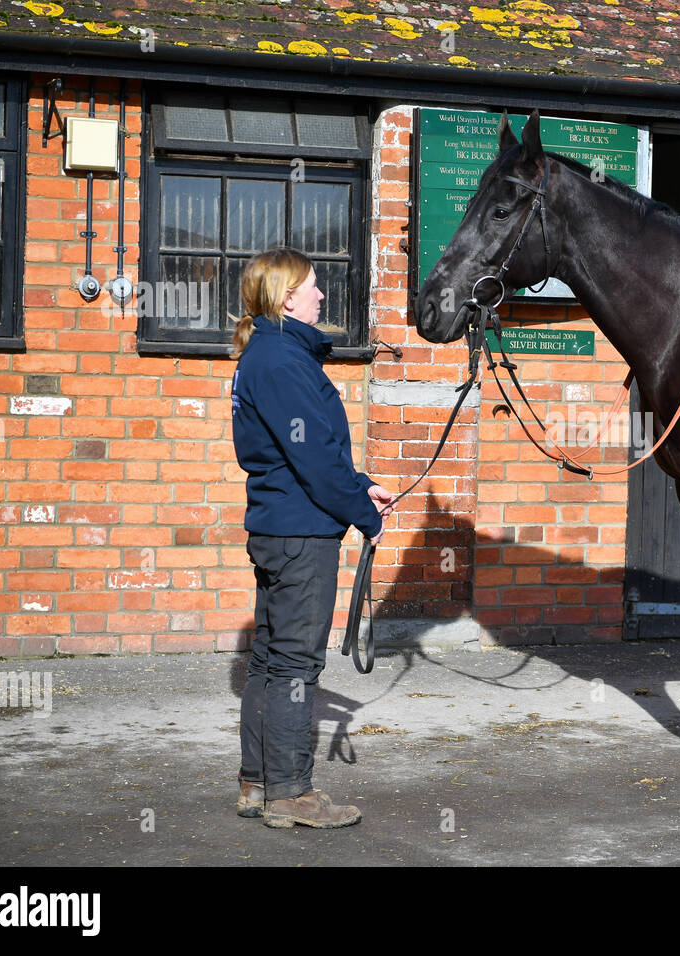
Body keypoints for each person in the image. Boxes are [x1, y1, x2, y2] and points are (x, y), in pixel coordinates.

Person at [229, 247, 393, 828]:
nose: (321, 296)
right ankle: (290, 793)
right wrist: (363, 511)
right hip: (300, 533)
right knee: (296, 664)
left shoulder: (272, 354)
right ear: (286, 295)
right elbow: (313, 460)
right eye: (313, 286)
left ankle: (257, 782)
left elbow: (313, 452)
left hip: (280, 525)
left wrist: (360, 486)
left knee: (271, 660)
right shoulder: (281, 360)